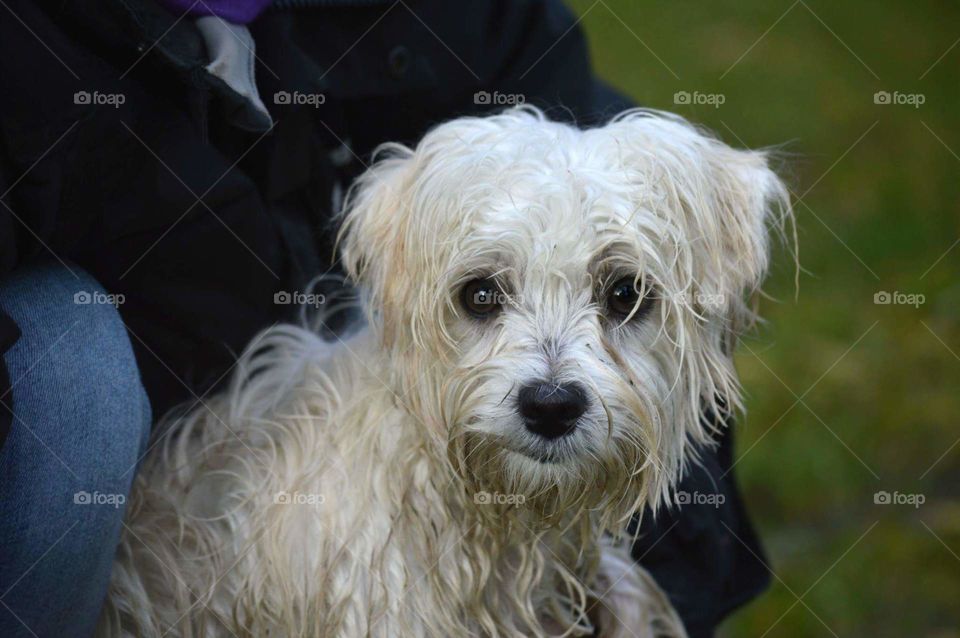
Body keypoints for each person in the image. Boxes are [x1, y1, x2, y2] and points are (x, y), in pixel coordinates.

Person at [0, 1, 769, 636]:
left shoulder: (478, 29)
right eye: (482, 298)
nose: (552, 382)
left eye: (621, 297)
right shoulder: (36, 47)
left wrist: (658, 577)